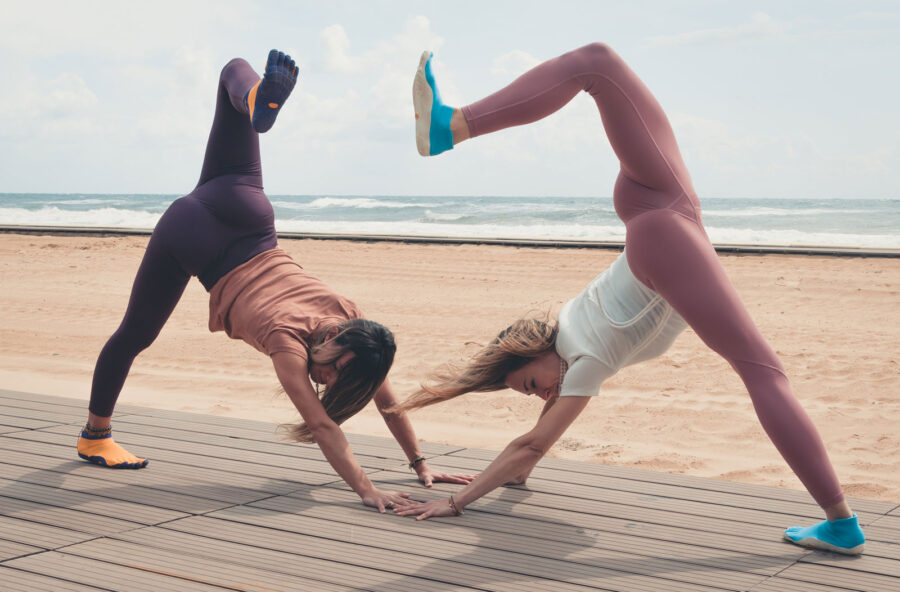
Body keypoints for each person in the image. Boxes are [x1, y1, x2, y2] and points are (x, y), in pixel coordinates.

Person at [392, 43, 866, 554]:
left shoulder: (582, 362)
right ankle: (453, 126)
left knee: (764, 375)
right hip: (661, 217)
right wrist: (513, 472)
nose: (540, 396)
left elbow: (532, 442)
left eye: (530, 383)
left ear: (539, 353)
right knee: (595, 63)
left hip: (662, 231)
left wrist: (460, 503)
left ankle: (841, 524)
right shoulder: (577, 352)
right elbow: (535, 438)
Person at [77, 49, 473, 511]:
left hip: (246, 208)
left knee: (232, 69)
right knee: (133, 335)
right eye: (335, 373)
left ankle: (253, 101)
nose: (326, 380)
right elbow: (324, 427)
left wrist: (420, 462)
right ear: (341, 348)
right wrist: (367, 490)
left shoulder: (354, 322)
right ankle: (95, 437)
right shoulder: (288, 344)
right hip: (196, 241)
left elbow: (388, 402)